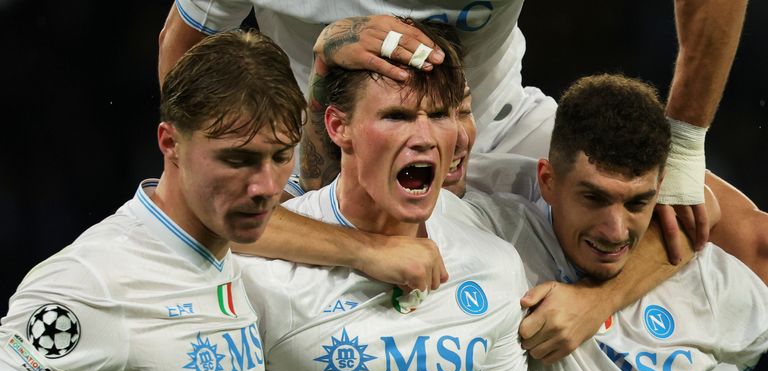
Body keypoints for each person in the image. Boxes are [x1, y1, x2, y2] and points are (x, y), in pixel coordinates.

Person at [158, 0, 748, 249]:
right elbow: (183, 53)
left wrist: (685, 145)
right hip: (325, 141)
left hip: (496, 121)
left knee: (751, 244)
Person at [0, 30, 305, 371]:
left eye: (281, 156)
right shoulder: (93, 280)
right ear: (170, 142)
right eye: (237, 159)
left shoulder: (221, 249)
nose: (266, 187)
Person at [236, 20, 530, 371]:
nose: (425, 138)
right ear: (339, 127)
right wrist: (368, 250)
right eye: (397, 116)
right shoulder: (262, 270)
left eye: (442, 114)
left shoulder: (494, 264)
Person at [449, 74, 768, 371]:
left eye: (637, 202)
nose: (616, 231)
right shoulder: (494, 234)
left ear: (661, 189)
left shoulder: (704, 278)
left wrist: (597, 299)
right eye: (594, 198)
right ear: (548, 181)